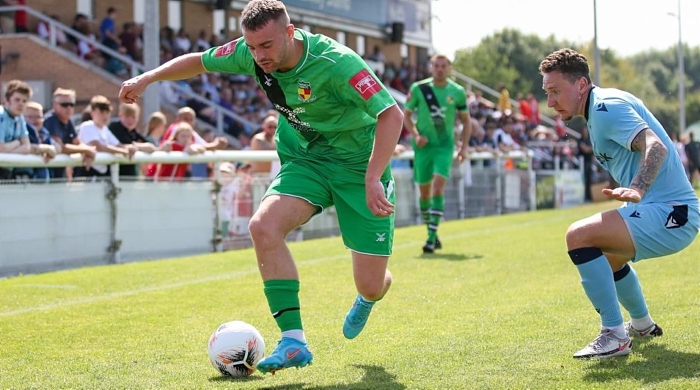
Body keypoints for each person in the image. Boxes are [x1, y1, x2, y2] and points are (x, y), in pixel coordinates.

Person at [118, 0, 403, 374]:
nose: (258, 56)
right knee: (262, 227)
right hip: (307, 160)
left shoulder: (338, 62)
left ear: (289, 32)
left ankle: (370, 296)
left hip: (358, 166)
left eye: (266, 46)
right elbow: (199, 60)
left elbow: (391, 114)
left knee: (369, 284)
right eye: (252, 47)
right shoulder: (250, 53)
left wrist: (371, 178)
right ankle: (293, 342)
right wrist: (147, 78)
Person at [539, 48, 700, 359]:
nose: (550, 102)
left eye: (556, 91)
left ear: (581, 85)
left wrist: (637, 188)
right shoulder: (599, 107)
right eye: (547, 92)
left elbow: (655, 146)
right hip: (666, 210)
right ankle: (642, 325)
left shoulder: (604, 108)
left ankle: (613, 335)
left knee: (578, 236)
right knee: (608, 258)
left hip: (673, 213)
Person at [403, 53, 472, 253]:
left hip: (444, 146)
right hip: (423, 147)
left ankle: (431, 239)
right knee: (424, 193)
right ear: (431, 67)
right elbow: (406, 115)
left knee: (438, 188)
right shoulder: (419, 89)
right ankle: (431, 231)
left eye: (444, 66)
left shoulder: (457, 92)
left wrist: (464, 147)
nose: (440, 69)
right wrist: (416, 136)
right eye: (436, 65)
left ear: (449, 68)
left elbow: (466, 121)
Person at [75, 95, 136, 178]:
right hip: (86, 173)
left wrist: (129, 148)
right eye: (101, 112)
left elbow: (118, 145)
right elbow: (98, 146)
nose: (105, 115)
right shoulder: (87, 126)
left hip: (102, 175)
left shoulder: (105, 129)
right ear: (92, 113)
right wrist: (123, 151)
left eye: (107, 112)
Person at [44, 88, 96, 179]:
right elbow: (61, 147)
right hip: (46, 172)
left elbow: (77, 142)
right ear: (54, 106)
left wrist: (86, 151)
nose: (69, 108)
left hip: (59, 171)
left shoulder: (68, 121)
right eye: (64, 105)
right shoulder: (50, 120)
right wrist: (86, 150)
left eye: (71, 105)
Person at [108, 102, 156, 177]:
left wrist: (136, 145)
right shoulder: (114, 127)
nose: (130, 120)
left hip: (130, 178)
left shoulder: (134, 132)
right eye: (127, 116)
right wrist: (136, 146)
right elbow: (123, 145)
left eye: (133, 117)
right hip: (114, 176)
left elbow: (151, 147)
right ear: (120, 116)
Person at [0, 79, 31, 179]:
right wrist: (17, 142)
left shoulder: (19, 118)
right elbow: (1, 148)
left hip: (5, 168)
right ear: (6, 100)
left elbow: (27, 147)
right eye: (17, 100)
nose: (21, 104)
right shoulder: (1, 116)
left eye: (24, 101)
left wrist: (7, 152)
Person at [248, 114, 279, 179]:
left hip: (272, 176)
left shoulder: (277, 140)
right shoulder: (258, 139)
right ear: (264, 127)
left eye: (275, 127)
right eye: (270, 127)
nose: (273, 129)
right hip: (257, 176)